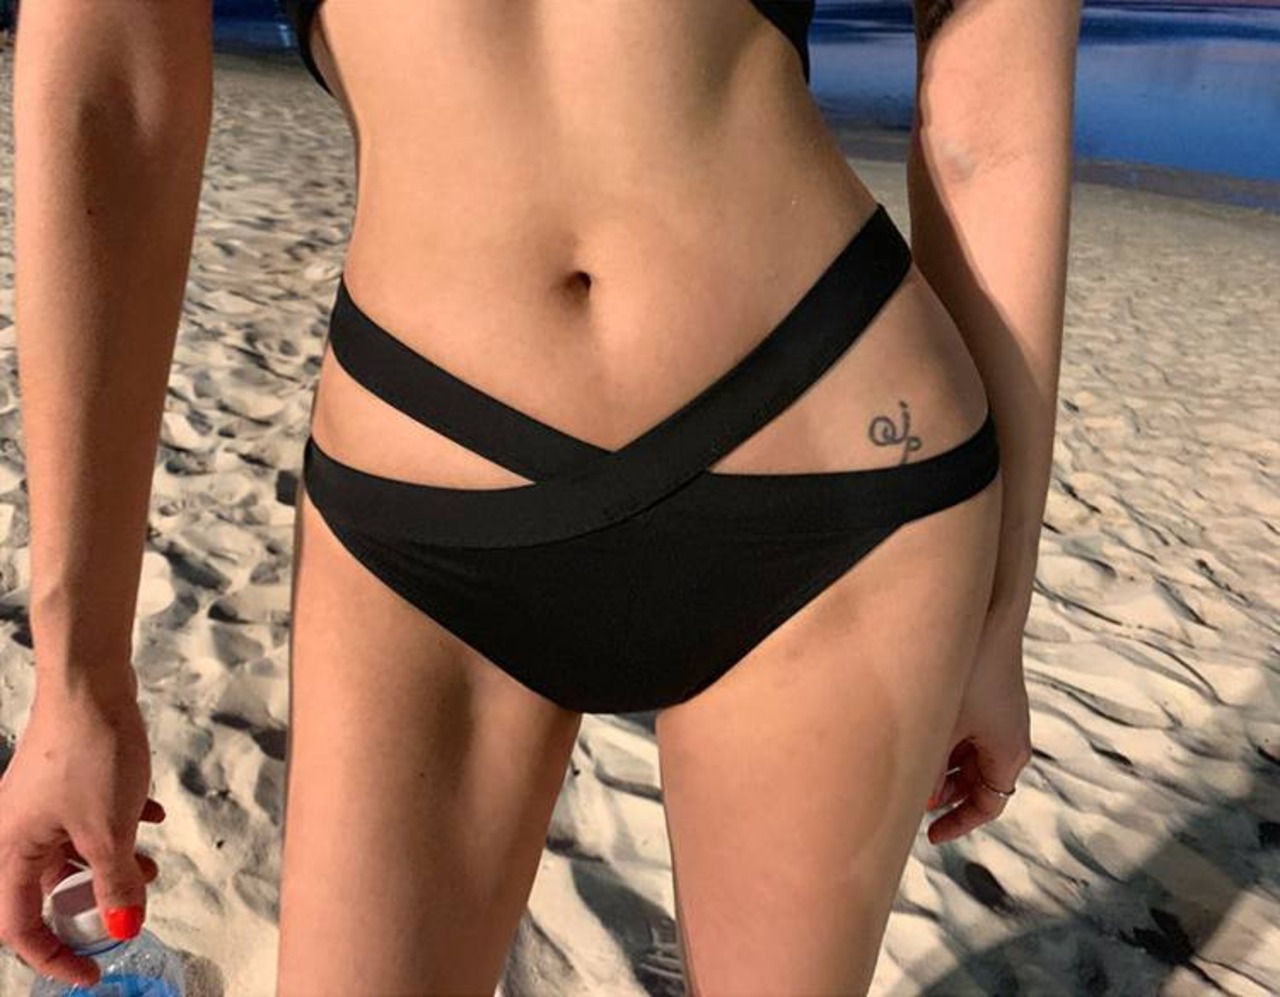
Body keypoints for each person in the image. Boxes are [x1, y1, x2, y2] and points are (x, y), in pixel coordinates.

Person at [0, 0, 1083, 992]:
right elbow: (112, 82)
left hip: (836, 480)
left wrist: (1001, 611)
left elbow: (991, 103)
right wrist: (77, 674)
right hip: (426, 515)